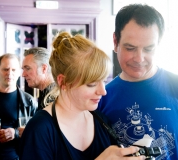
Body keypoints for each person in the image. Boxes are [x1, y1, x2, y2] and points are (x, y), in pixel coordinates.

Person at [97, 4, 178, 160]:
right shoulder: (100, 97)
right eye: (130, 48)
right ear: (115, 41)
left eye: (149, 49)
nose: (139, 58)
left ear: (159, 44)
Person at [19, 32, 145, 160]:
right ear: (64, 82)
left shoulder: (102, 121)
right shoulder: (40, 130)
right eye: (92, 84)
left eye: (104, 81)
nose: (103, 91)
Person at [0, 54, 37, 160]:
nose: (9, 73)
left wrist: (16, 133)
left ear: (19, 72)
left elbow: (36, 134)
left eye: (14, 70)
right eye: (5, 69)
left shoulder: (29, 102)